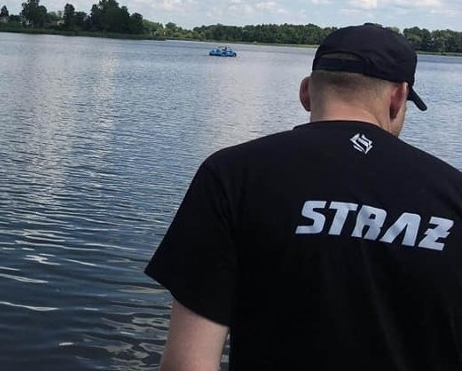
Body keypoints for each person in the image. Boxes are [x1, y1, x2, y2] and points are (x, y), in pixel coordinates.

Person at [146, 23, 462, 370]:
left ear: (306, 92)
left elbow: (187, 364)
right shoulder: (453, 192)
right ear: (399, 97)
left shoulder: (232, 175)